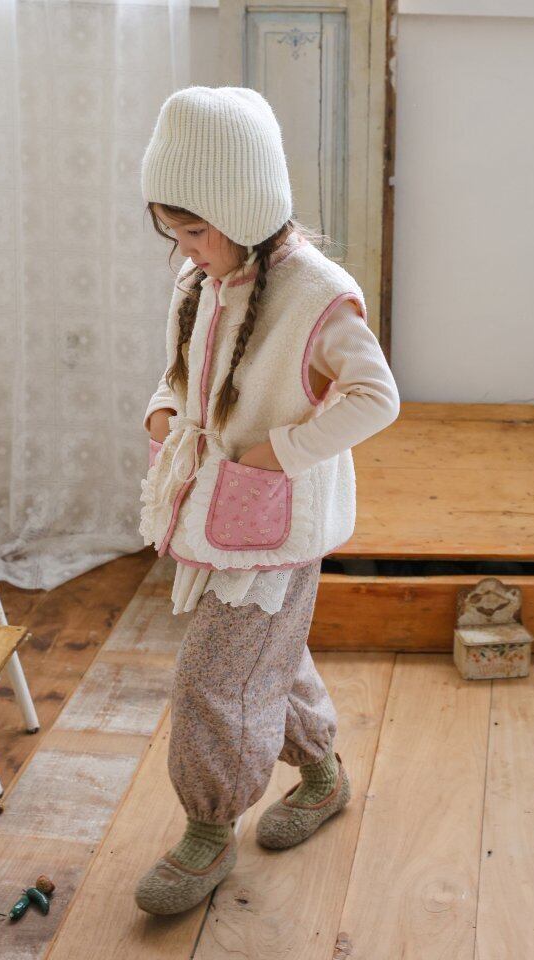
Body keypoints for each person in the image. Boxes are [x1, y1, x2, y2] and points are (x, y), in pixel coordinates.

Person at [134, 85, 400, 916]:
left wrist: (276, 455)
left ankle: (208, 829)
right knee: (266, 658)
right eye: (173, 232)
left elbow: (376, 397)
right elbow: (187, 370)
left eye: (193, 230)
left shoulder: (316, 295)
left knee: (210, 680)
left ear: (242, 207)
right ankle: (322, 779)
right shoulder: (204, 277)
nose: (185, 249)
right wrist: (164, 406)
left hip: (271, 527)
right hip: (218, 510)